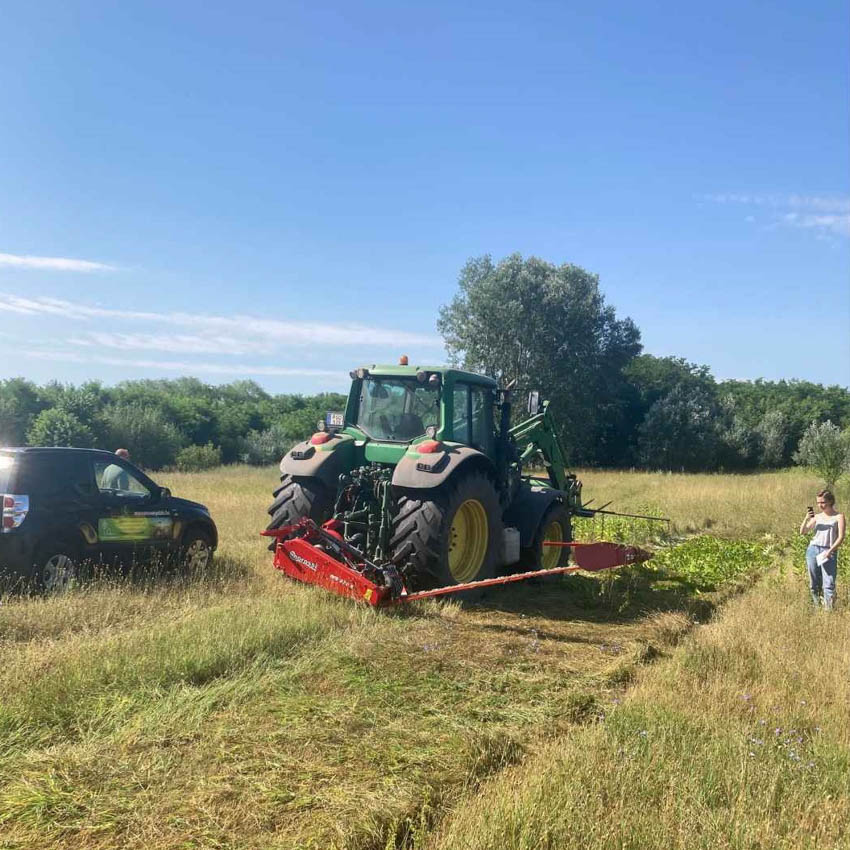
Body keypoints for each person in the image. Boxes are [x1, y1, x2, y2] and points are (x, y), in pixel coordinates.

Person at [800, 490, 846, 609]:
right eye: (818, 502)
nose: (820, 505)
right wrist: (806, 518)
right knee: (814, 582)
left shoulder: (839, 517)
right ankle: (817, 606)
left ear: (830, 501)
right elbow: (803, 532)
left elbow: (841, 537)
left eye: (823, 502)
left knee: (829, 582)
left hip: (829, 550)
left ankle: (829, 610)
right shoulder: (817, 517)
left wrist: (830, 551)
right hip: (813, 550)